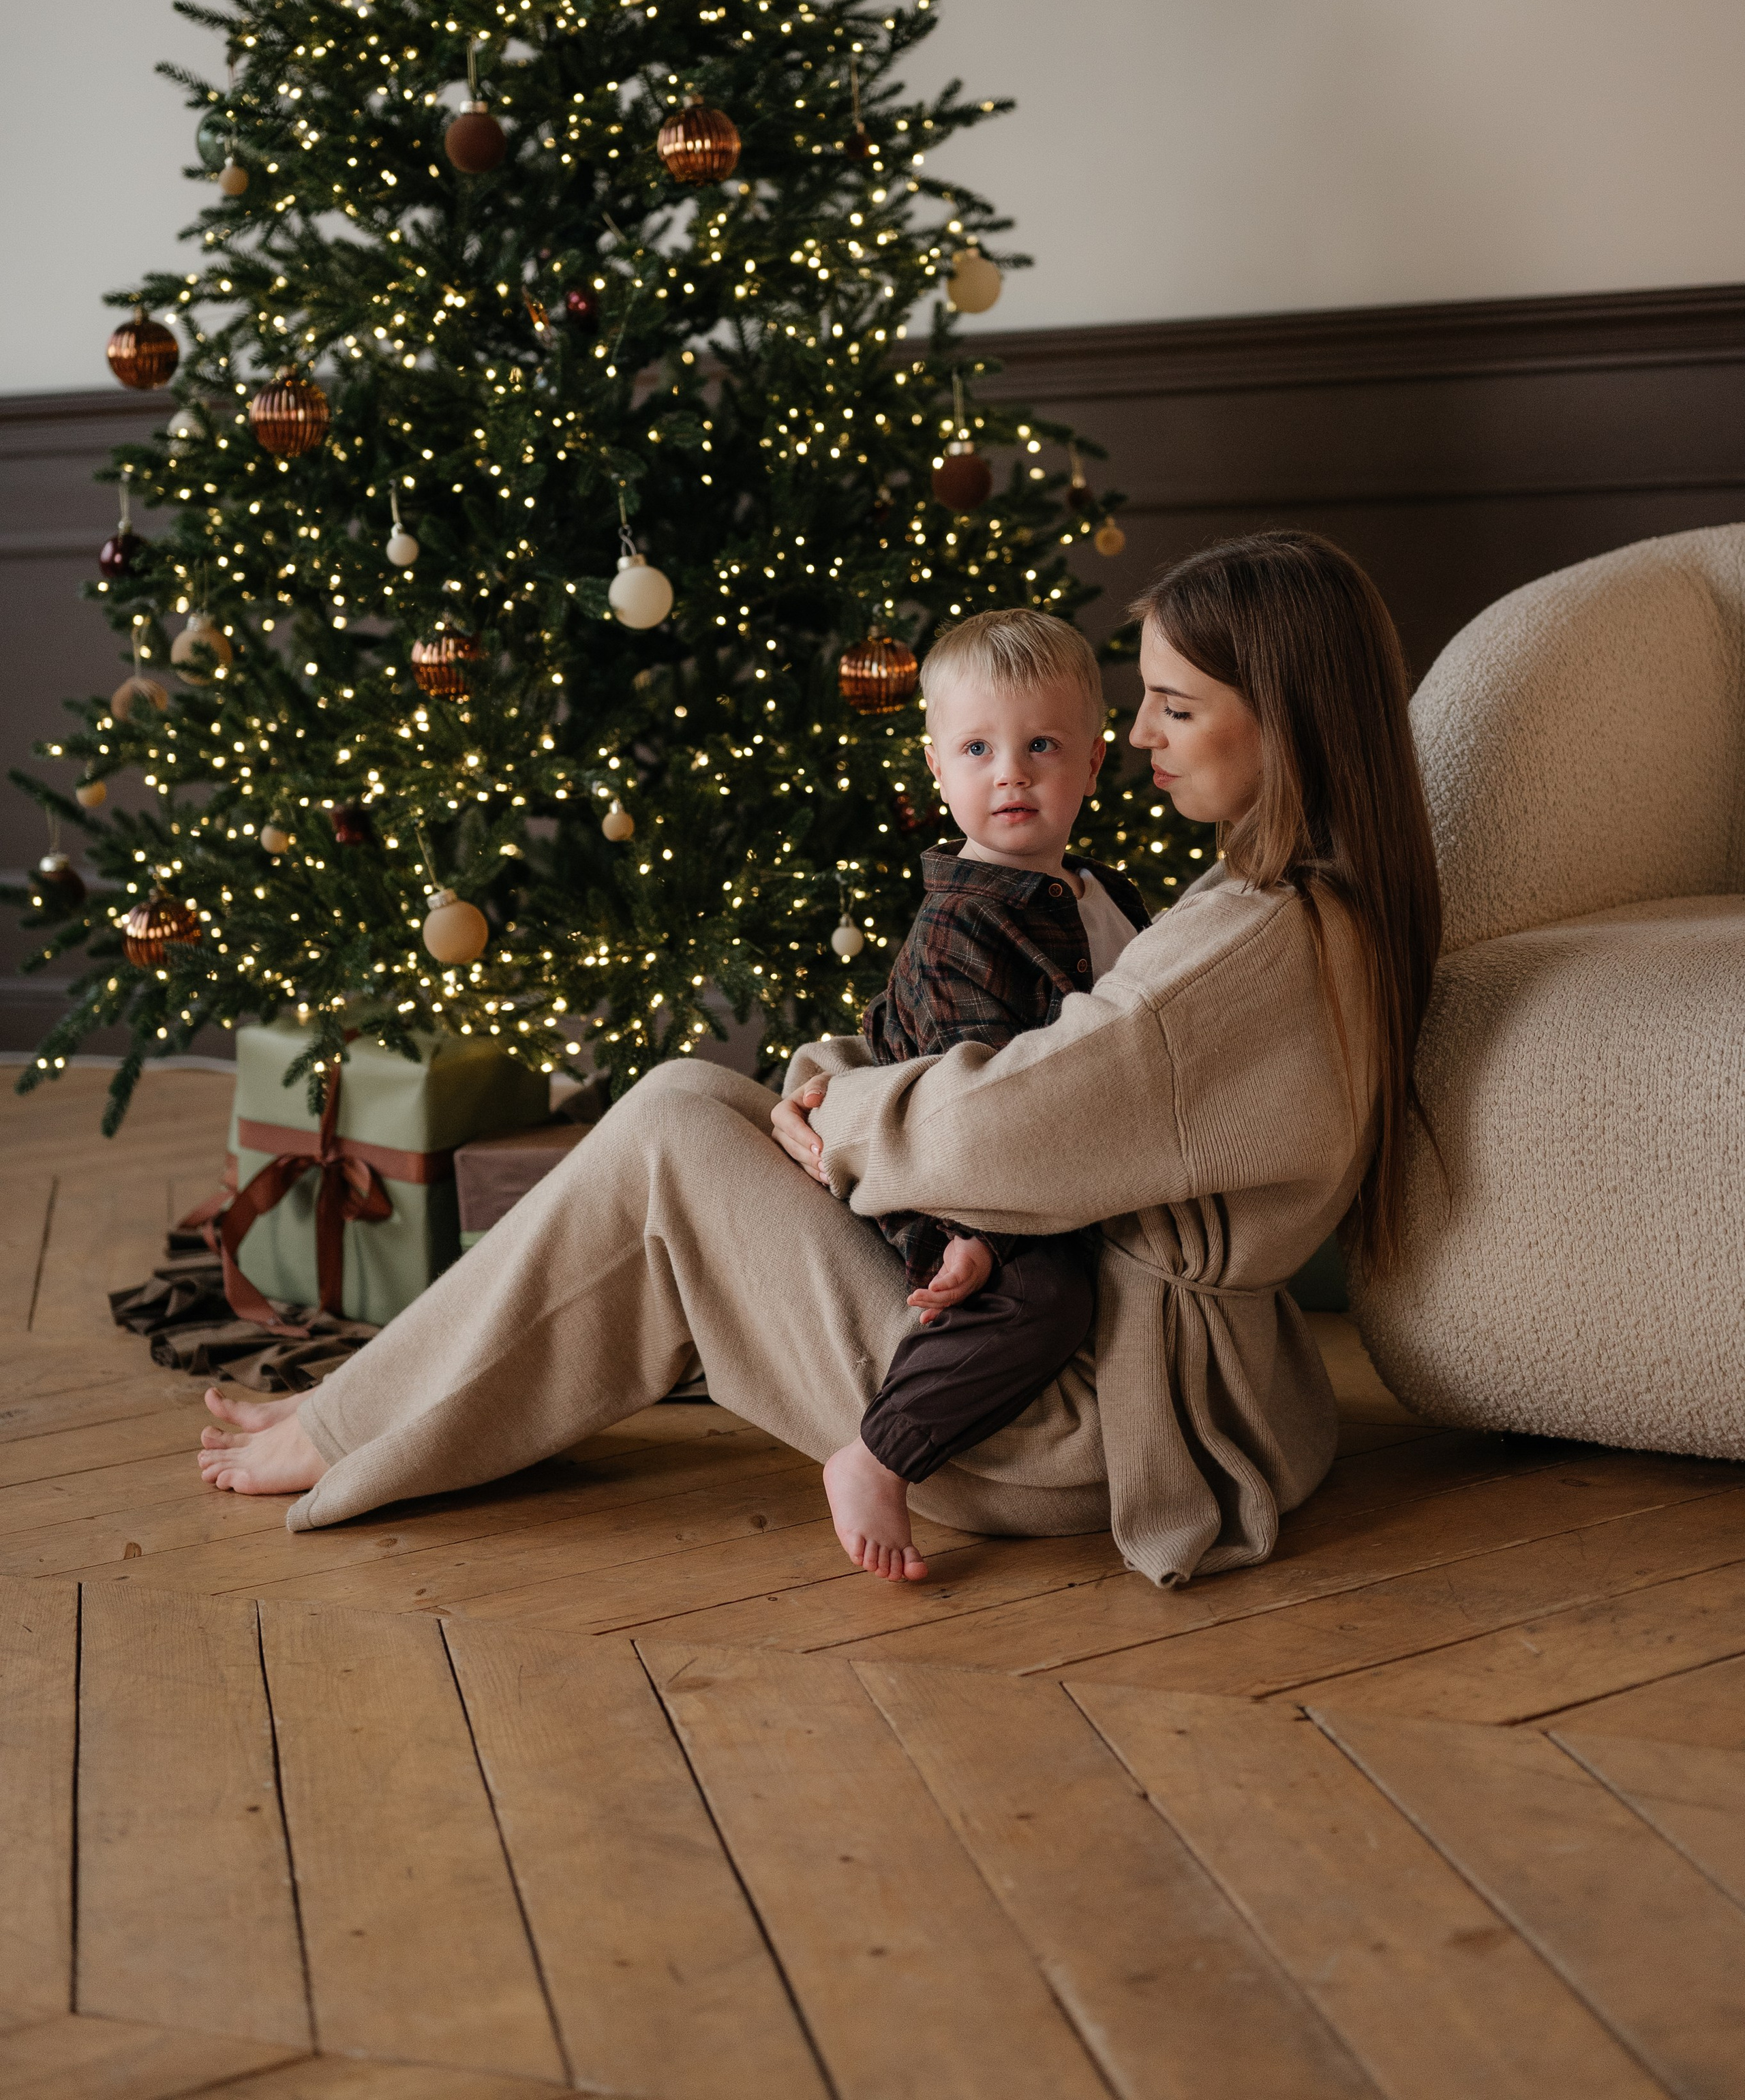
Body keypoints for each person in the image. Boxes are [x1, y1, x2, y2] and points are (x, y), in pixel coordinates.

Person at [196, 531, 1441, 1600]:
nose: (1141, 733)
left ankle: (351, 1424)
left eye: (1176, 704)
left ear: (1283, 714)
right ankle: (371, 1411)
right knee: (690, 1101)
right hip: (1142, 1368)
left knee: (675, 1142)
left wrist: (838, 1116)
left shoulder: (1250, 945)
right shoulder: (1297, 904)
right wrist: (824, 1091)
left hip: (1075, 1415)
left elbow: (1009, 1127)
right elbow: (1055, 1061)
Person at [825, 608, 1151, 1579]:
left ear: (1093, 764)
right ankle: (879, 1455)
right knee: (1041, 1299)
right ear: (938, 769)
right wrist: (982, 1236)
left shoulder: (1105, 894)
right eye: (978, 748)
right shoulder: (959, 925)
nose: (1010, 771)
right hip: (949, 1175)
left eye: (1041, 745)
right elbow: (972, 1109)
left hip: (1061, 1161)